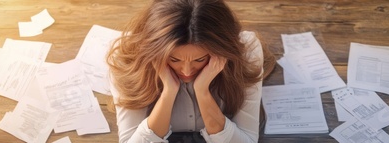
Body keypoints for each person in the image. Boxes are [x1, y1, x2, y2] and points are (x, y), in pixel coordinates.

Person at [107, 0, 275, 142]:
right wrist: (168, 92)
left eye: (200, 59)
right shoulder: (126, 58)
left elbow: (248, 139)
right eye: (174, 59)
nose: (187, 71)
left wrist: (202, 91)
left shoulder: (247, 54)